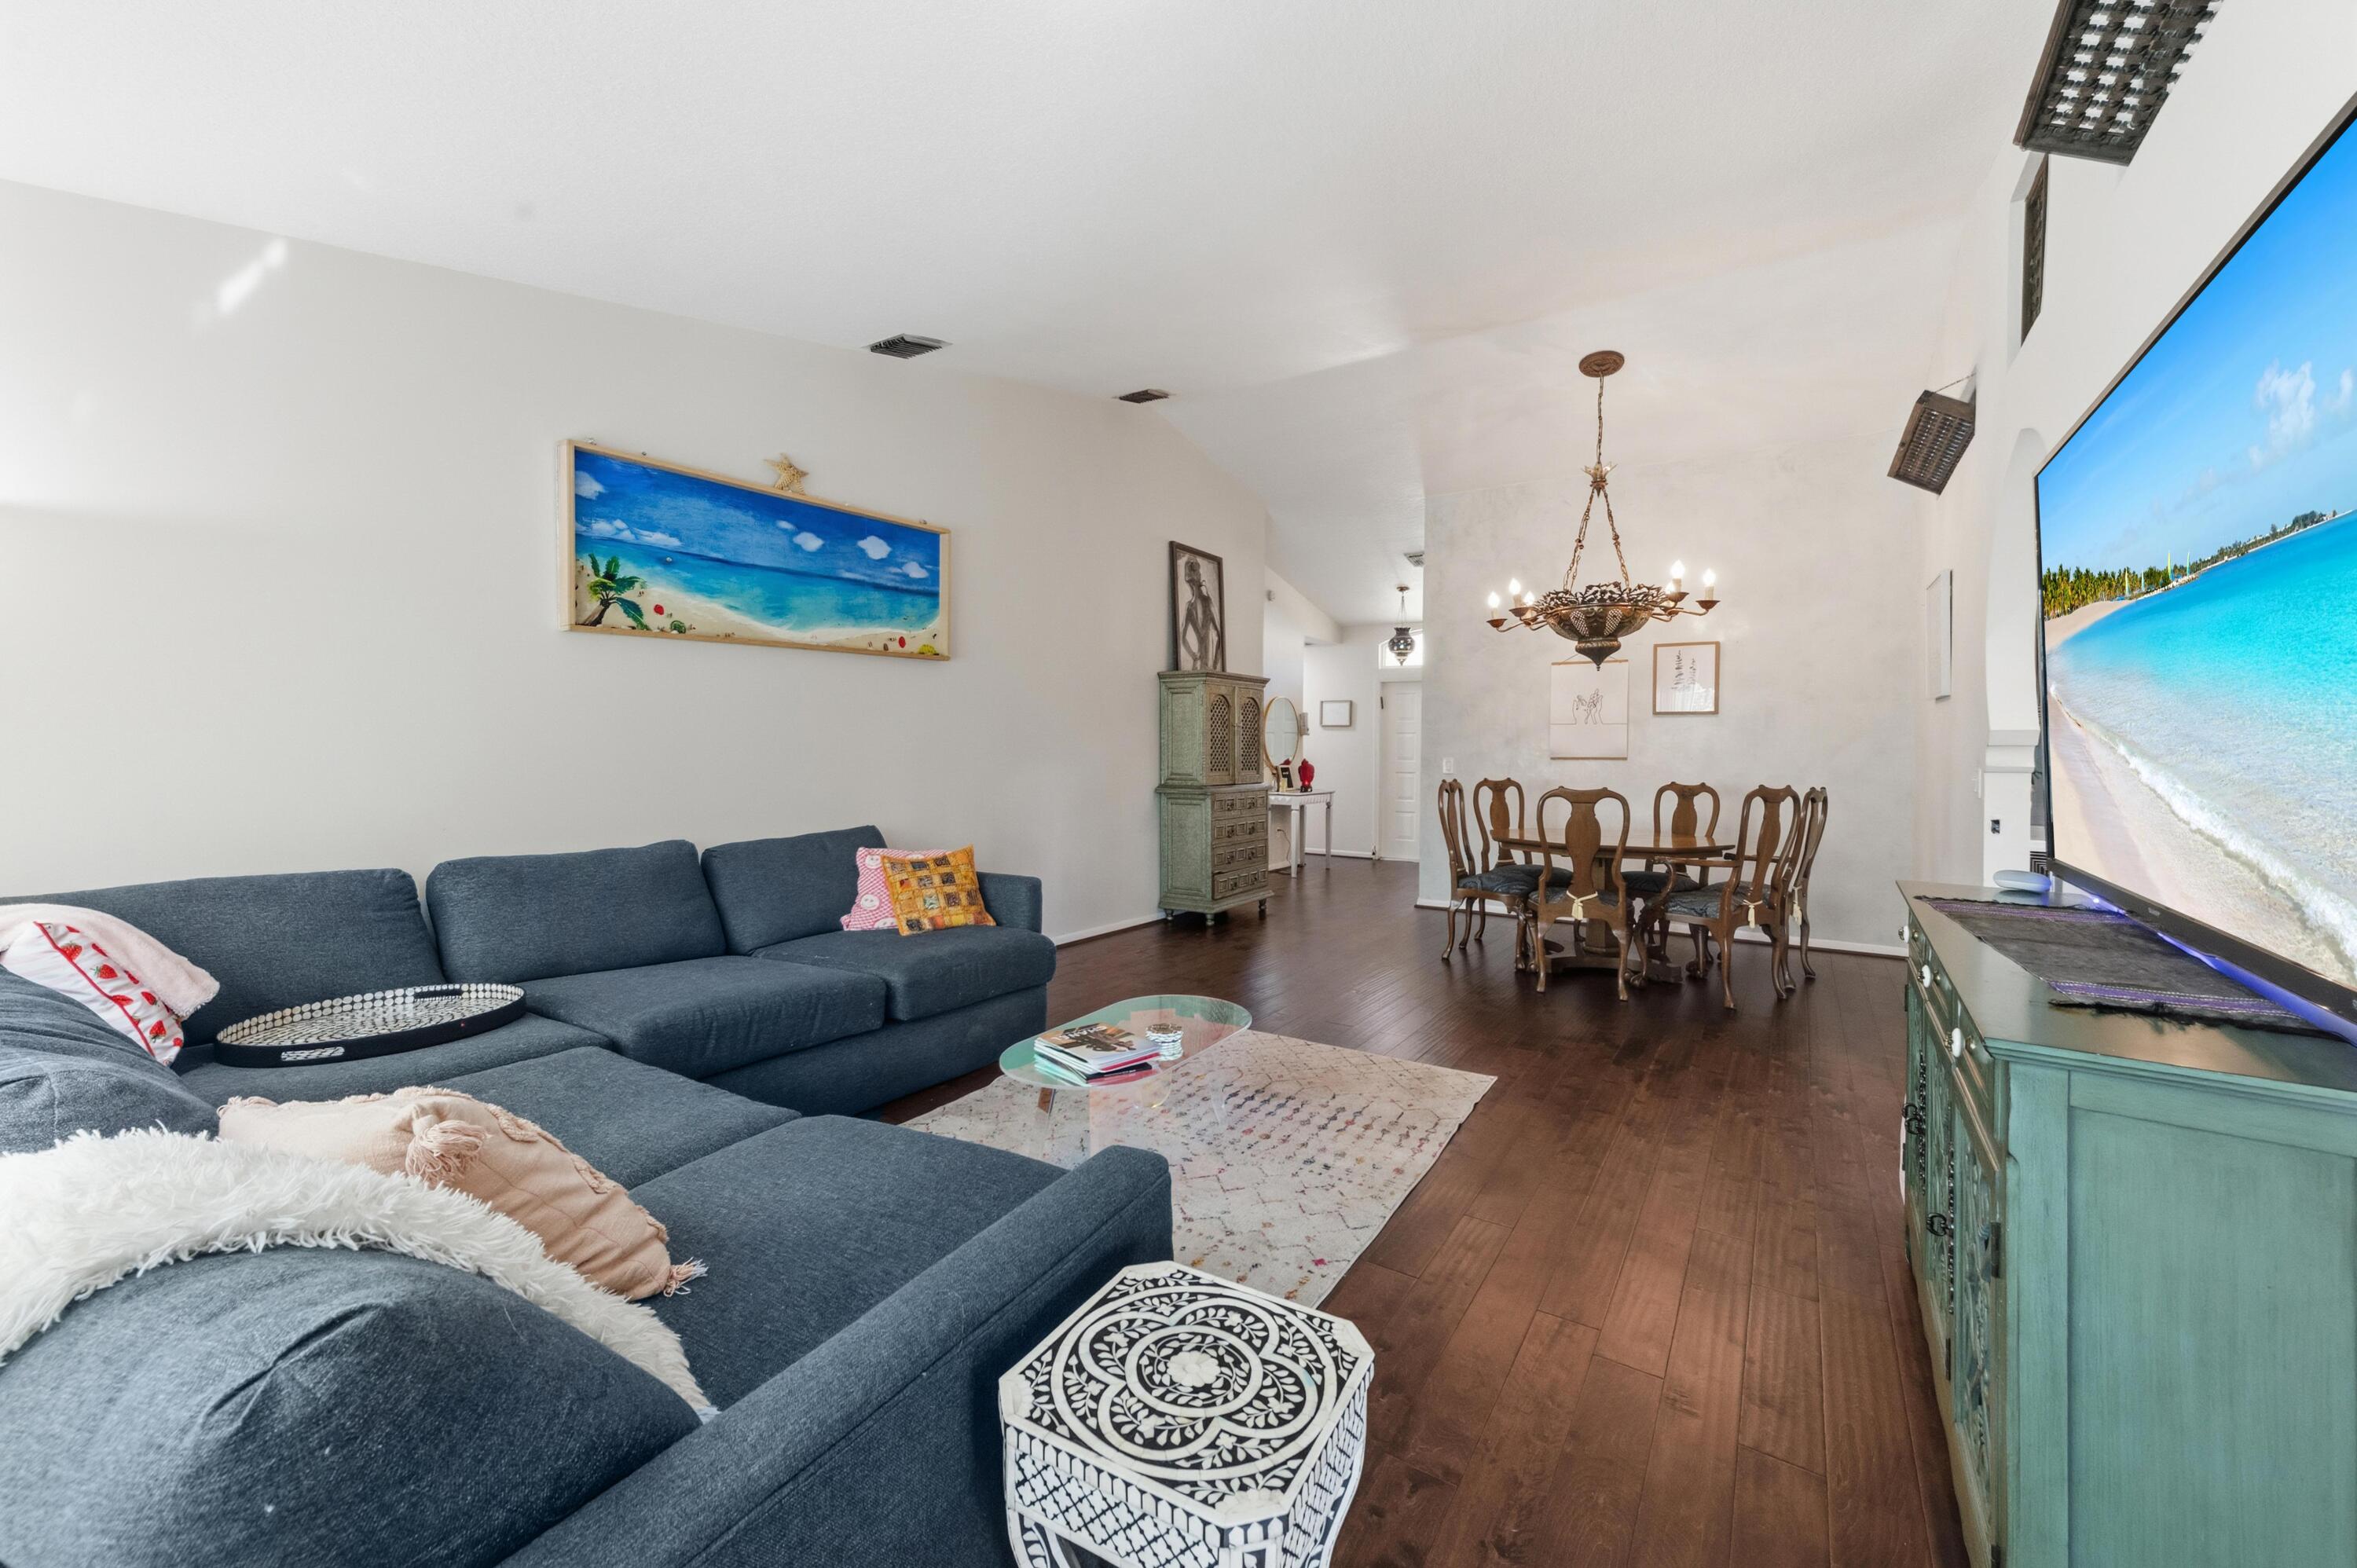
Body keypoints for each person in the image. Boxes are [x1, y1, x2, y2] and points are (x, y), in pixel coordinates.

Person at [1178, 555, 1224, 671]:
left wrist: (1214, 663)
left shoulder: (1202, 603)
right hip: (1201, 664)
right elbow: (1182, 637)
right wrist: (1195, 655)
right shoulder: (1190, 606)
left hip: (1203, 663)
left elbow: (1219, 635)